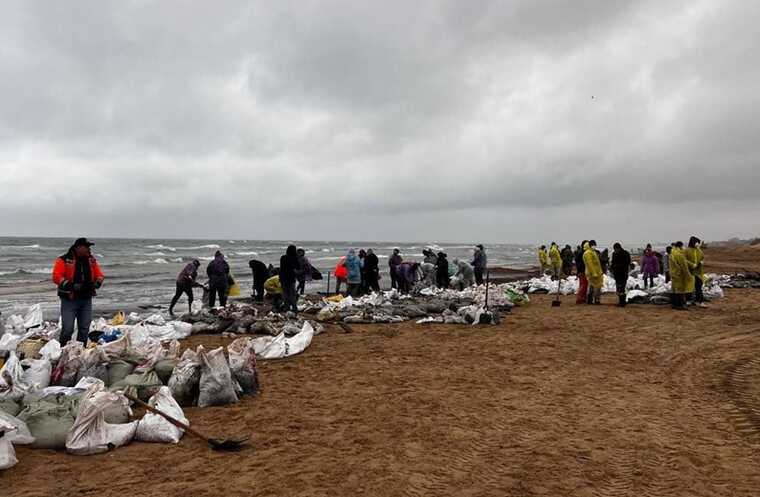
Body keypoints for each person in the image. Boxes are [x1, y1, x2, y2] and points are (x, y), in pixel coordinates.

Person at [52, 238, 105, 346]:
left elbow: (99, 274)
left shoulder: (91, 260)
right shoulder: (64, 260)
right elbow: (56, 276)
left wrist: (98, 282)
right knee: (68, 328)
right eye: (86, 247)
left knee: (84, 328)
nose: (88, 249)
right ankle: (63, 349)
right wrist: (71, 285)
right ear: (78, 248)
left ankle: (81, 350)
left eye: (88, 247)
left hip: (86, 299)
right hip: (69, 299)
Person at [669, 241, 693, 310]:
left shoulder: (672, 253)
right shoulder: (679, 255)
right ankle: (680, 305)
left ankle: (674, 304)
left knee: (674, 289)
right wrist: (689, 276)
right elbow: (684, 267)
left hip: (673, 274)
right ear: (680, 246)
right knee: (680, 290)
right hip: (679, 275)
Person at [685, 236, 707, 307]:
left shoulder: (699, 251)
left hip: (698, 272)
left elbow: (703, 257)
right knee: (689, 287)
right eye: (697, 242)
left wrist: (701, 262)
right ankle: (688, 300)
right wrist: (691, 264)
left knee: (698, 287)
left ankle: (700, 301)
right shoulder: (687, 250)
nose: (698, 244)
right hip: (690, 272)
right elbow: (684, 260)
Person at [280, 245, 300, 313]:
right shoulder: (295, 258)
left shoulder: (283, 257)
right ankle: (294, 308)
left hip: (283, 277)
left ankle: (286, 308)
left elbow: (281, 268)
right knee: (292, 294)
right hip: (291, 278)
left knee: (285, 293)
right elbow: (298, 267)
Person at [611, 243, 631, 307]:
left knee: (622, 288)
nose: (615, 251)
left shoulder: (625, 254)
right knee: (618, 289)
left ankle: (622, 302)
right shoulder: (614, 254)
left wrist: (617, 266)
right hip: (617, 274)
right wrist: (612, 267)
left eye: (616, 249)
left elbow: (627, 263)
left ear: (619, 248)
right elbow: (613, 262)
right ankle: (621, 301)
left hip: (623, 274)